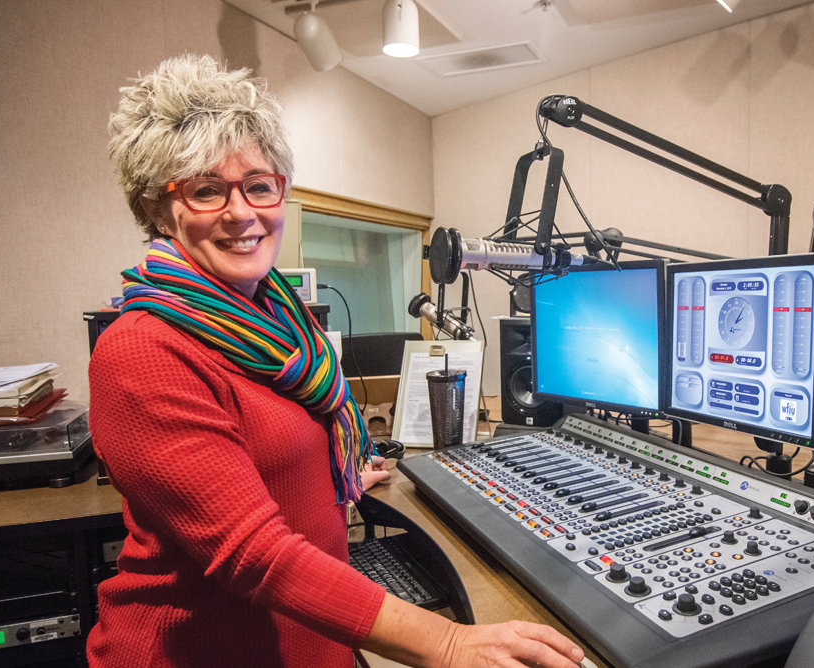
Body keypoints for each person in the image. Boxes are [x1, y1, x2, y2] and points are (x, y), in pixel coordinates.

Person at [88, 53, 585, 668]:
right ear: (158, 210)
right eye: (206, 190)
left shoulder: (277, 316)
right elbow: (253, 551)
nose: (241, 212)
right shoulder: (142, 350)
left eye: (259, 185)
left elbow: (267, 454)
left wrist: (333, 479)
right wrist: (449, 643)